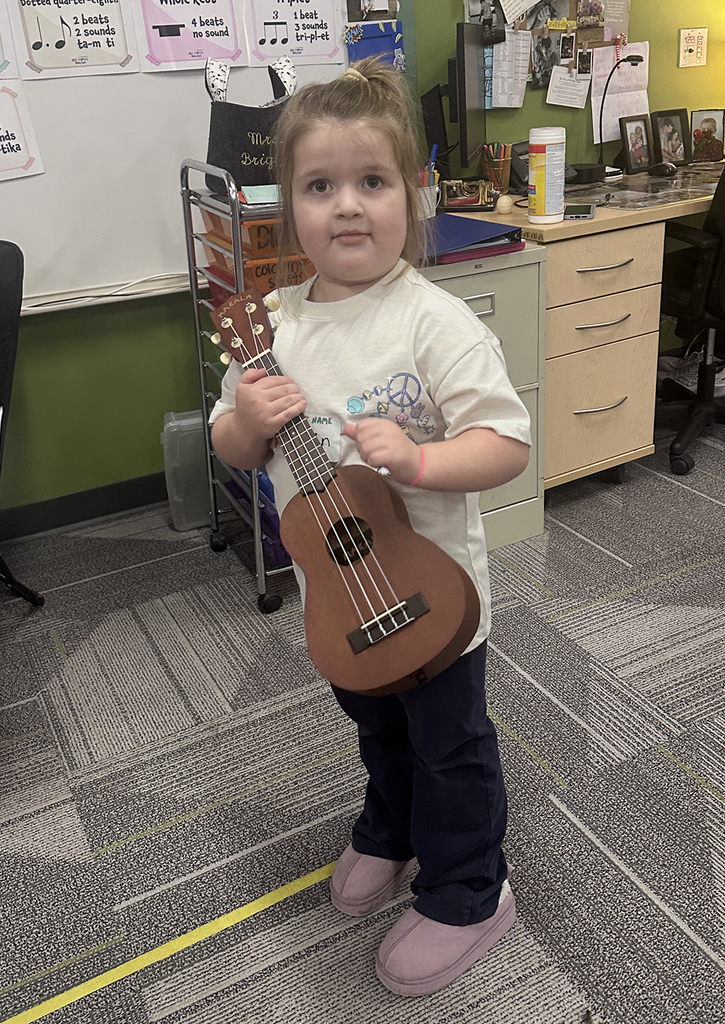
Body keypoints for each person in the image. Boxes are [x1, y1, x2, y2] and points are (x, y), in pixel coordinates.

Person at [209, 57, 531, 996]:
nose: (346, 207)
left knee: (448, 744)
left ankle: (473, 889)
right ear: (287, 205)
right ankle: (388, 834)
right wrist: (247, 421)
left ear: (412, 194)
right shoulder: (268, 325)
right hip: (336, 603)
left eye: (371, 182)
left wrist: (421, 461)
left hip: (431, 601)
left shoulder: (431, 321)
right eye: (320, 186)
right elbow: (234, 445)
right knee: (376, 733)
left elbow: (505, 443)